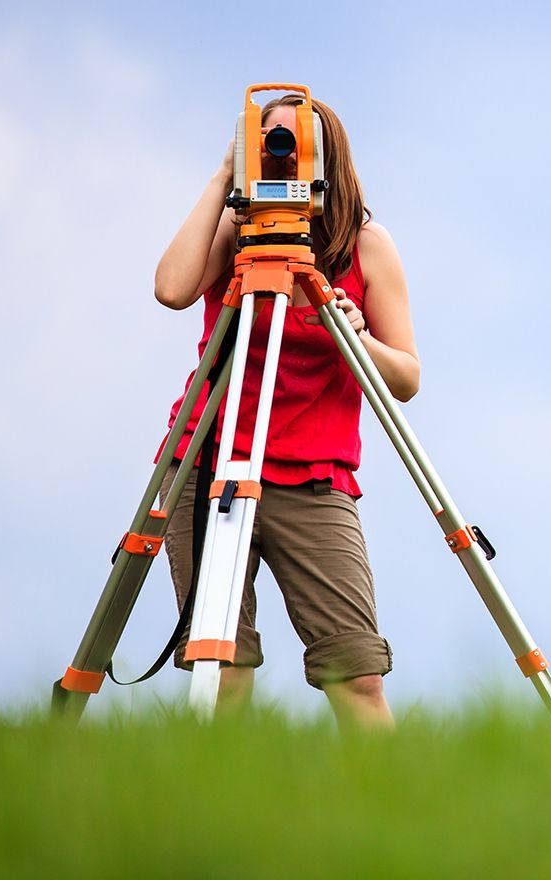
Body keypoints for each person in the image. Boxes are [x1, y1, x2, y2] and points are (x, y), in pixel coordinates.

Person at [152, 93, 419, 730]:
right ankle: (225, 813)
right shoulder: (237, 231)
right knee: (224, 674)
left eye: (294, 143)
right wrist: (224, 180)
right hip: (210, 461)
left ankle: (398, 813)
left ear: (329, 157)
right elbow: (170, 289)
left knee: (356, 674)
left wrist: (355, 336)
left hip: (313, 479)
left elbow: (406, 377)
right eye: (267, 142)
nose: (281, 156)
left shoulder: (365, 247)